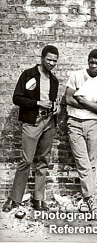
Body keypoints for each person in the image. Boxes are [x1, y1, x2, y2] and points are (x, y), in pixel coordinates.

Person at [2, 45, 59, 214]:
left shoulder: (54, 80)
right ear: (42, 58)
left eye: (55, 61)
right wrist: (37, 103)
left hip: (49, 122)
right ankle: (14, 199)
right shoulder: (29, 74)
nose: (51, 63)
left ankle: (38, 199)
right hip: (32, 122)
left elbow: (53, 100)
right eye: (49, 59)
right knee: (26, 160)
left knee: (43, 160)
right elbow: (16, 98)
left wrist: (56, 107)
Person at [65, 49, 97, 211]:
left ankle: (88, 197)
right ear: (88, 60)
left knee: (92, 162)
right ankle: (92, 199)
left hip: (93, 124)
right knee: (83, 162)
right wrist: (91, 105)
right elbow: (68, 98)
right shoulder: (76, 76)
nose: (94, 66)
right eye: (91, 62)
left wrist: (82, 100)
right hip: (74, 123)